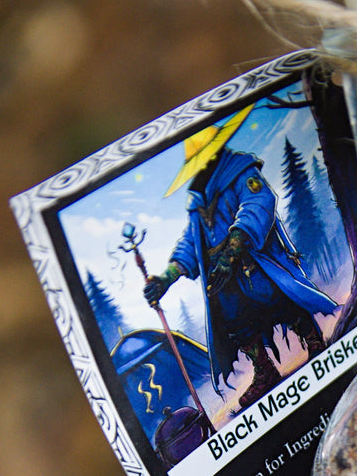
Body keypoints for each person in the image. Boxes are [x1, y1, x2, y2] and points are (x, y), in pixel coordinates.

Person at [144, 121, 337, 408]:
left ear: (214, 153)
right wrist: (166, 277)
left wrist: (233, 248)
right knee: (236, 322)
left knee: (281, 301)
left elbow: (258, 202)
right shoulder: (198, 200)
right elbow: (191, 241)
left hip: (254, 262)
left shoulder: (240, 170)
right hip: (224, 279)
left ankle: (313, 341)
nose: (200, 167)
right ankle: (264, 370)